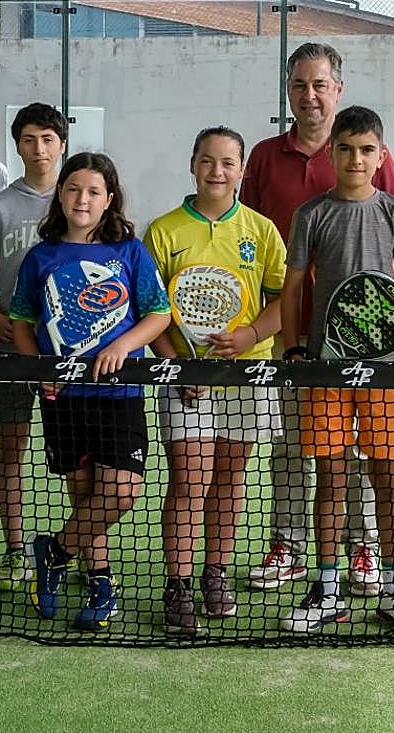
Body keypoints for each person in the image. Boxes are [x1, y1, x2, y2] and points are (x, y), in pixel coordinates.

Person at [241, 42, 394, 597]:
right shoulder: (263, 157)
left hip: (366, 343)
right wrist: (278, 335)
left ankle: (360, 546)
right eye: (298, 85)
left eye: (319, 85)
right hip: (294, 337)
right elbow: (251, 243)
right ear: (288, 91)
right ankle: (287, 544)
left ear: (338, 88)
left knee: (356, 455)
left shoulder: (378, 162)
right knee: (292, 444)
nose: (308, 95)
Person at [278, 106, 394, 634]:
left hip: (385, 374)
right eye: (346, 149)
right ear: (331, 154)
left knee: (387, 478)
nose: (356, 159)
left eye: (366, 150)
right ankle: (328, 588)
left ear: (380, 157)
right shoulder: (310, 214)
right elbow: (295, 288)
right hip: (326, 369)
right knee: (331, 477)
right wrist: (294, 347)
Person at [10, 152, 171, 631]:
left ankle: (54, 552)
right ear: (60, 195)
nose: (83, 199)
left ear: (110, 200)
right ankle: (101, 581)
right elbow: (22, 320)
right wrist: (41, 368)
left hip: (119, 395)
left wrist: (122, 346)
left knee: (121, 492)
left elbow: (157, 314)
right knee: (85, 493)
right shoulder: (40, 257)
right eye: (74, 189)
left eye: (94, 191)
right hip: (63, 397)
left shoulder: (130, 251)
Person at [144, 126, 286, 636]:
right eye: (208, 160)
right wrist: (178, 365)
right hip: (186, 380)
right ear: (193, 164)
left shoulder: (262, 231)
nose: (217, 171)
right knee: (189, 480)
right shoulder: (162, 231)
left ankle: (215, 573)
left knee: (229, 480)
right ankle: (178, 585)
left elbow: (282, 302)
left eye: (228, 163)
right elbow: (151, 309)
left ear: (242, 170)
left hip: (249, 374)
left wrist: (249, 334)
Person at [0, 103, 67, 590]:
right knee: (10, 447)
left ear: (61, 143)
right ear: (17, 145)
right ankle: (15, 550)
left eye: (47, 138)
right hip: (8, 348)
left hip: (69, 354)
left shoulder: (79, 201)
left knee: (75, 455)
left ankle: (79, 551)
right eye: (28, 139)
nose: (38, 148)